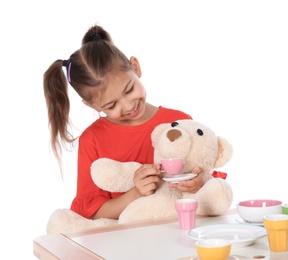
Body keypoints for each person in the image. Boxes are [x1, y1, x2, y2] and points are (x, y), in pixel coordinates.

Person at [43, 25, 205, 220]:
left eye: (129, 90)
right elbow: (91, 213)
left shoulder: (179, 122)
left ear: (135, 67)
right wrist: (136, 193)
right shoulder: (93, 140)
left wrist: (200, 181)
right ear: (92, 105)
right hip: (123, 245)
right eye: (111, 105)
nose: (128, 106)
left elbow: (209, 179)